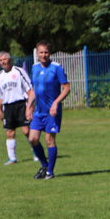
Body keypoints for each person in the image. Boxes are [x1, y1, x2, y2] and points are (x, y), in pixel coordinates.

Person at [27, 40, 70, 180]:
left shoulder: (56, 67)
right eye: (41, 52)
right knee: (32, 138)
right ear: (37, 53)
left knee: (49, 140)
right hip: (39, 111)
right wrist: (28, 106)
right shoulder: (34, 68)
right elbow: (33, 89)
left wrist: (56, 103)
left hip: (52, 112)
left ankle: (50, 172)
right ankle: (44, 166)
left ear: (49, 53)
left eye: (46, 52)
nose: (44, 55)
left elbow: (66, 88)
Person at [0, 52, 36, 165]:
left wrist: (30, 105)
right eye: (0, 60)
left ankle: (36, 152)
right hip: (8, 107)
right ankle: (12, 158)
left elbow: (29, 89)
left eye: (4, 59)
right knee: (9, 133)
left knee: (26, 131)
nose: (3, 62)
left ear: (10, 60)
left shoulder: (19, 71)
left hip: (21, 104)